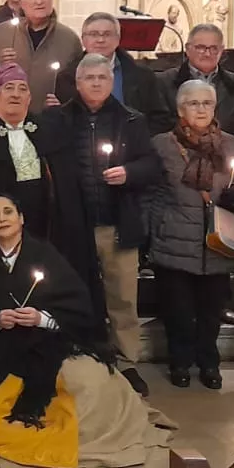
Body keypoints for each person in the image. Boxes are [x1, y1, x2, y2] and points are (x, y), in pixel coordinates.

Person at [0, 195, 172, 468]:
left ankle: (88, 431)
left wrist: (41, 318)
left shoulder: (46, 257)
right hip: (1, 350)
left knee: (90, 381)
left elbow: (78, 307)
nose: (2, 219)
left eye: (8, 212)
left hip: (52, 343)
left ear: (22, 218)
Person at [0, 63, 96, 296]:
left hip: (45, 233)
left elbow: (68, 193)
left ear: (30, 97)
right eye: (8, 88)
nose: (15, 94)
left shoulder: (51, 134)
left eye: (22, 88)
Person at [60, 53, 163, 396]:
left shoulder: (130, 121)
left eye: (102, 78)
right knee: (78, 296)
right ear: (77, 83)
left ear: (111, 83)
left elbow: (152, 166)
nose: (95, 83)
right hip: (75, 226)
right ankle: (83, 358)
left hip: (117, 224)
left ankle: (127, 362)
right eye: (89, 78)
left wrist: (129, 173)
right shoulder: (59, 119)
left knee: (122, 298)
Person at [147, 80, 234, 390]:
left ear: (214, 108)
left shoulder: (232, 145)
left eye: (206, 103)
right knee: (178, 311)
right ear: (181, 109)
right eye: (193, 103)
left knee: (211, 312)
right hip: (174, 240)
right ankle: (180, 362)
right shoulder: (161, 145)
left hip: (217, 243)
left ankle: (209, 363)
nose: (200, 109)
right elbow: (150, 192)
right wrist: (154, 230)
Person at [55, 13, 171, 135]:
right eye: (94, 34)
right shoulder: (66, 78)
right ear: (83, 40)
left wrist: (137, 137)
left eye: (107, 34)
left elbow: (160, 119)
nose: (100, 40)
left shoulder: (143, 76)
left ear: (118, 39)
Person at [160, 24, 234, 166]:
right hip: (177, 164)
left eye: (213, 48)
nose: (207, 54)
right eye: (200, 47)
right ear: (188, 49)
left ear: (222, 51)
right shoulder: (164, 83)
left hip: (225, 165)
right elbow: (159, 130)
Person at [0, 0, 79, 112]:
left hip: (50, 121)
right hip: (7, 119)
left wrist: (64, 103)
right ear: (22, 3)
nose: (39, 1)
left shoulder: (69, 40)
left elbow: (77, 85)